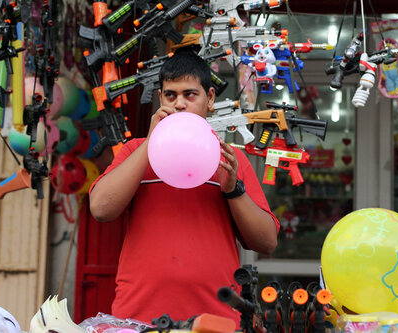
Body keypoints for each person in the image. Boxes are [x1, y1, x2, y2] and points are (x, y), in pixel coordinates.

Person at [88, 50, 280, 324]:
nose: (179, 104)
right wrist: (149, 145)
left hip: (215, 319)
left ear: (210, 98)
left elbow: (266, 241)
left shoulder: (230, 158)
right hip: (139, 319)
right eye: (170, 95)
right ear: (160, 99)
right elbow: (101, 208)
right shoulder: (135, 150)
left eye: (190, 94)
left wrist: (232, 190)